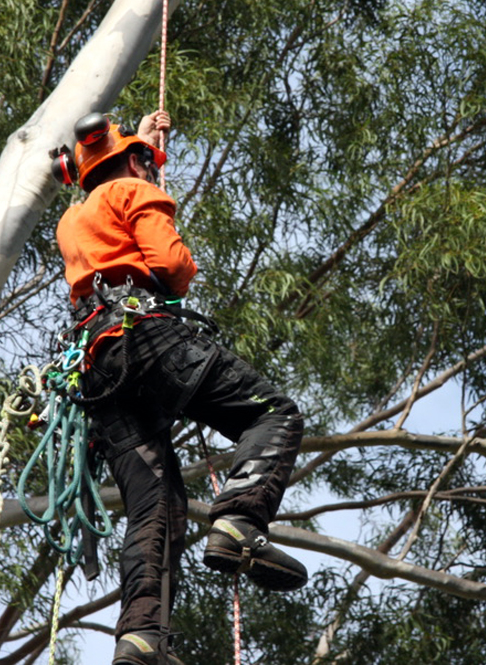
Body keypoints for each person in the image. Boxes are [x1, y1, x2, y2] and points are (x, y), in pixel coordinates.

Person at [54, 109, 308, 665]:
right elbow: (173, 266)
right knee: (275, 415)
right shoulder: (132, 190)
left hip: (99, 370)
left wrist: (141, 146)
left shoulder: (73, 218)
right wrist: (142, 169)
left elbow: (107, 190)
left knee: (156, 503)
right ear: (132, 164)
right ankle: (240, 522)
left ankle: (141, 637)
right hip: (148, 339)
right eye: (145, 163)